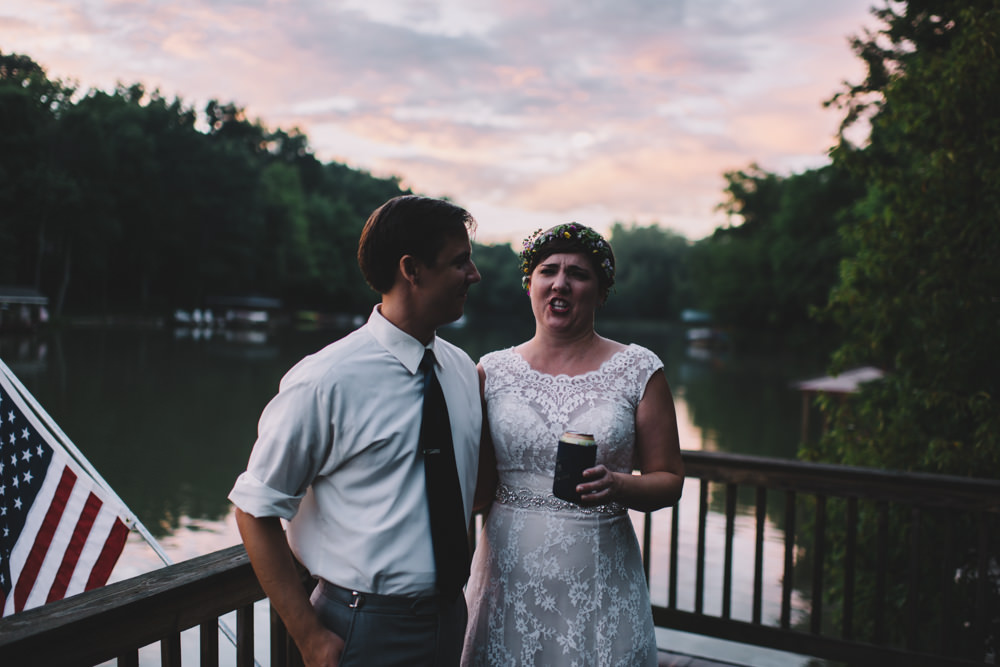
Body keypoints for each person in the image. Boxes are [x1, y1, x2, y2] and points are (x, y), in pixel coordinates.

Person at [228, 195, 483, 667]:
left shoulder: (463, 370)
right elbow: (254, 510)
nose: (474, 275)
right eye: (460, 262)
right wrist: (308, 636)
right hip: (360, 628)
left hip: (451, 617)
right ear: (412, 269)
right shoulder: (325, 380)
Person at [462, 223, 685, 666]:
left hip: (602, 580)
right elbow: (476, 486)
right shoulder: (491, 371)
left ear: (600, 292)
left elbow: (670, 480)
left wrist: (619, 485)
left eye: (578, 274)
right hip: (509, 576)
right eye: (548, 271)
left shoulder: (639, 369)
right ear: (530, 286)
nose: (561, 283)